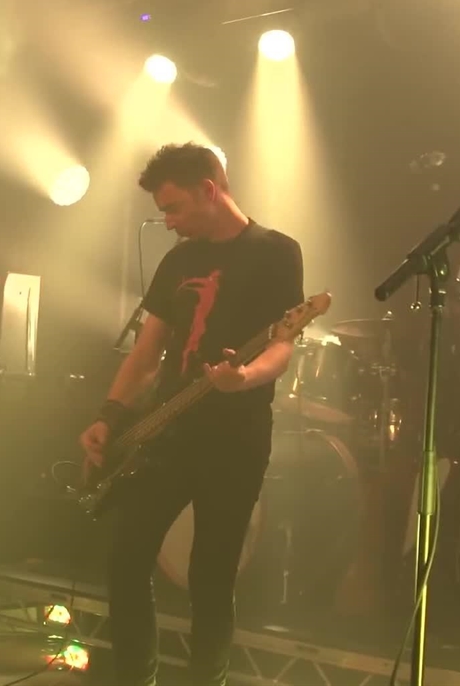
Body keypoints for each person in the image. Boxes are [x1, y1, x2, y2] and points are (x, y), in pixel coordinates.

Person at [79, 143, 304, 686]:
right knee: (127, 556)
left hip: (237, 437)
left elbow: (283, 343)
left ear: (209, 189)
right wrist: (109, 414)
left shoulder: (276, 252)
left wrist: (243, 378)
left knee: (212, 575)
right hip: (167, 431)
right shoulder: (179, 261)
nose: (169, 222)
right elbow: (147, 350)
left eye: (175, 208)